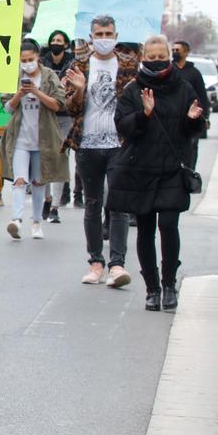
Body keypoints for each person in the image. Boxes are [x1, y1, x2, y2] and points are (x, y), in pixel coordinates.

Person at [108, 35, 206, 312]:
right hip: (141, 169)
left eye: (160, 55)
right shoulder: (133, 90)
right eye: (150, 57)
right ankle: (152, 288)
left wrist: (193, 119)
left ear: (169, 55)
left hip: (173, 169)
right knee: (146, 229)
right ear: (142, 59)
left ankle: (169, 284)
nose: (156, 60)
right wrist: (144, 115)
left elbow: (195, 130)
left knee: (169, 225)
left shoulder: (184, 88)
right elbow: (123, 127)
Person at [62, 15, 139, 288]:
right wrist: (80, 90)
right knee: (93, 203)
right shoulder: (79, 66)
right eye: (99, 34)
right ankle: (96, 263)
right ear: (91, 36)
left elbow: (136, 105)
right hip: (87, 144)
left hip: (119, 144)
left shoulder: (130, 66)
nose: (104, 38)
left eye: (108, 33)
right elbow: (69, 109)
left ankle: (117, 265)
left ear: (116, 35)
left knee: (117, 203)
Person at [2, 40, 67, 240]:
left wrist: (36, 92)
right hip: (20, 137)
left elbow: (58, 104)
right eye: (23, 60)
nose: (27, 63)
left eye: (30, 59)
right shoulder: (14, 77)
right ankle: (16, 219)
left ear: (38, 56)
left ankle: (37, 222)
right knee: (20, 180)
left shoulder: (49, 76)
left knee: (39, 182)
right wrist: (19, 94)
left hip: (43, 139)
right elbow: (7, 108)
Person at [40, 29, 75, 222]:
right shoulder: (42, 62)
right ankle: (46, 198)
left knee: (60, 158)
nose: (56, 43)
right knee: (45, 157)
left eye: (59, 40)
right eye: (53, 39)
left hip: (65, 116)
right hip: (46, 115)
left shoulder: (73, 63)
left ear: (66, 44)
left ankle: (55, 207)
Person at [170, 40, 211, 169]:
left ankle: (189, 173)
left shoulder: (194, 73)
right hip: (172, 118)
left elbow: (202, 97)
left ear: (186, 52)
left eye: (178, 50)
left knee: (191, 148)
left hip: (191, 119)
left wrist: (204, 117)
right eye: (173, 50)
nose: (175, 52)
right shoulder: (168, 71)